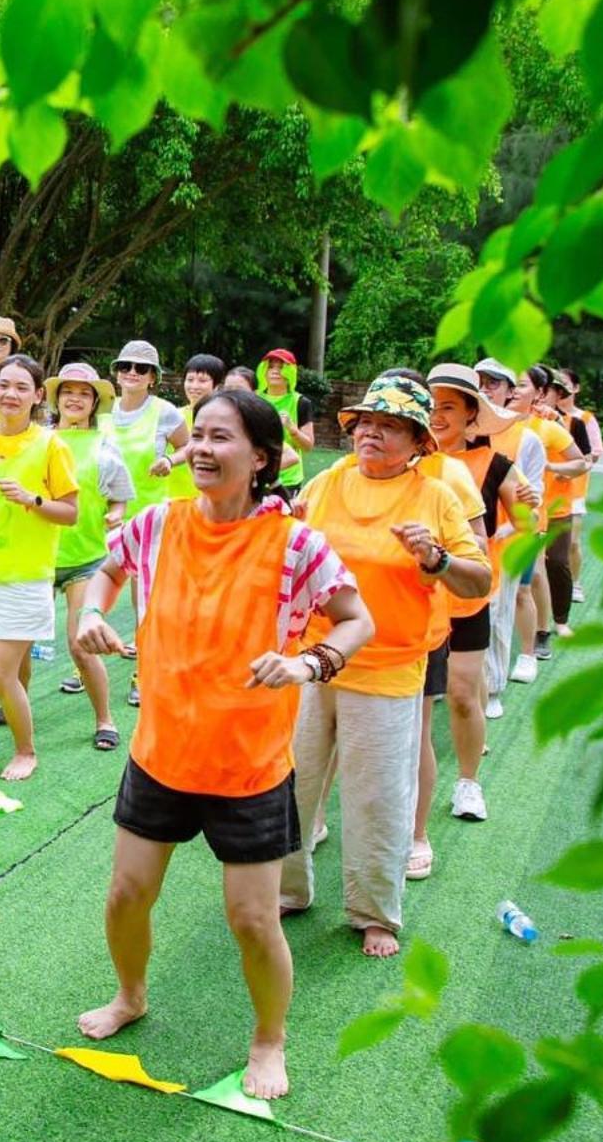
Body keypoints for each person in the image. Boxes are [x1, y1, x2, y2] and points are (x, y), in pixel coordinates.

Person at [73, 388, 372, 1102]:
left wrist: (309, 663)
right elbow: (105, 572)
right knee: (126, 895)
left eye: (221, 438)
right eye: (197, 436)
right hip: (160, 756)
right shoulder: (156, 523)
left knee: (252, 920)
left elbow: (355, 620)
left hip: (249, 768)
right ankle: (130, 995)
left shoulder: (296, 541)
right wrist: (90, 612)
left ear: (261, 458)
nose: (201, 448)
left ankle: (269, 1039)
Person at [278, 374, 489, 958]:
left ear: (418, 441)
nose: (371, 431)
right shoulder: (326, 483)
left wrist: (437, 557)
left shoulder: (436, 496)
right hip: (316, 658)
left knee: (376, 796)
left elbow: (480, 577)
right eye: (365, 422)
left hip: (391, 667)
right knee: (293, 780)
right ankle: (288, 889)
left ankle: (374, 914)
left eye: (389, 424)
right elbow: (291, 546)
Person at [409, 366, 517, 874]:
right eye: (432, 404)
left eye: (449, 407)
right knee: (418, 706)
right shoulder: (403, 458)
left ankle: (468, 781)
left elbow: (516, 522)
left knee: (460, 692)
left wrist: (483, 545)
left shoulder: (492, 464)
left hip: (465, 596)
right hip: (413, 602)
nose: (438, 415)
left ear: (471, 415)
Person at [0, 354, 78, 782]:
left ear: (38, 396)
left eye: (22, 387)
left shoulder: (51, 445)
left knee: (2, 670)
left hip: (24, 577)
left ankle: (26, 750)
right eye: (4, 385)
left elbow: (70, 513)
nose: (11, 394)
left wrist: (33, 500)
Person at [45, 363, 135, 747]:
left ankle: (105, 720)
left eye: (84, 394)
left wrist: (115, 514)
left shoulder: (104, 445)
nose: (75, 399)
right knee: (15, 644)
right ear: (56, 398)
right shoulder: (40, 440)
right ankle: (10, 707)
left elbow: (119, 497)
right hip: (37, 558)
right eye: (69, 392)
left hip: (85, 559)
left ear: (94, 402)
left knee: (79, 642)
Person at [108, 340, 189, 708]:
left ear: (153, 378)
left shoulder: (166, 413)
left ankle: (145, 671)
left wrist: (171, 462)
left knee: (145, 599)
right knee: (94, 594)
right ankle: (84, 665)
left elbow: (191, 446)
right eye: (126, 366)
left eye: (141, 369)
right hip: (106, 516)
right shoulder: (103, 412)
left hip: (150, 520)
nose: (132, 374)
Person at [474, 358, 555, 698]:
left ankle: (518, 662)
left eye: (495, 382)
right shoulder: (466, 429)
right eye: (481, 380)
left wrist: (508, 528)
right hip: (470, 539)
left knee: (508, 605)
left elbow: (531, 496)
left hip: (510, 538)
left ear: (509, 392)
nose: (486, 387)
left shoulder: (527, 439)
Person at [523, 365, 592, 649]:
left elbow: (584, 459)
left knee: (556, 564)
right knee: (531, 573)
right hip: (519, 508)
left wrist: (553, 467)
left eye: (556, 392)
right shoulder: (502, 419)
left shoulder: (566, 423)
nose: (553, 397)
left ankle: (557, 623)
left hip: (557, 504)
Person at [548, 368, 602, 603]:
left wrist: (568, 471)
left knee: (572, 542)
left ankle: (575, 583)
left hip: (573, 491)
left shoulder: (583, 420)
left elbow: (591, 456)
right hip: (546, 492)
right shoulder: (544, 418)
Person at [163, 354, 227, 501]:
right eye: (190, 380)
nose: (194, 386)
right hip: (172, 499)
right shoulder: (172, 416)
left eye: (202, 381)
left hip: (210, 500)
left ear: (217, 386)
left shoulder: (225, 419)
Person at [257, 349, 316, 496]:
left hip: (288, 480)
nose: (275, 371)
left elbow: (308, 446)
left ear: (290, 372)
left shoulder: (301, 402)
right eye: (271, 367)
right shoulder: (253, 398)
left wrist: (292, 429)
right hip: (256, 475)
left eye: (281, 367)